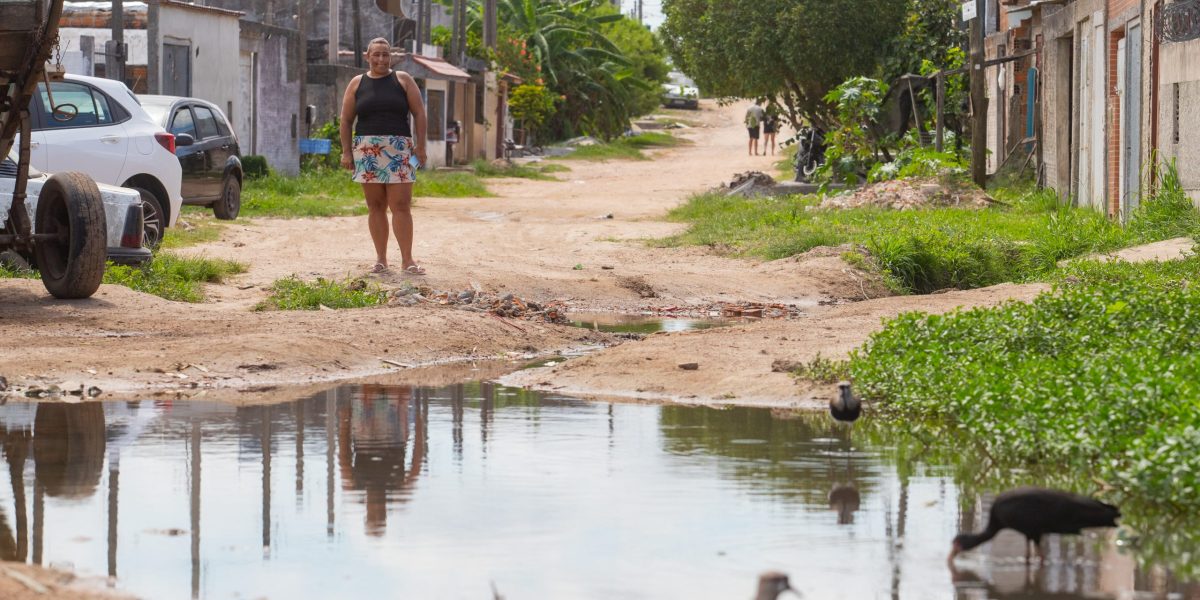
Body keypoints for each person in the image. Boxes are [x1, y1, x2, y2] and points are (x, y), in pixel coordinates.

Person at [339, 37, 429, 275]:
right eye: (376, 54)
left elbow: (419, 113)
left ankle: (408, 260)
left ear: (391, 57)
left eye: (385, 54)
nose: (381, 59)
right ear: (367, 56)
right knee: (375, 205)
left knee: (401, 205)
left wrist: (420, 147)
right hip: (367, 150)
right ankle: (381, 260)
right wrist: (347, 151)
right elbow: (346, 120)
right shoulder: (357, 83)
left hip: (400, 150)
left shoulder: (403, 80)